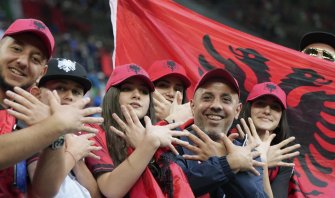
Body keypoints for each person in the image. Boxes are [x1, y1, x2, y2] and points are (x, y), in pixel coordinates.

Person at [0, 19, 103, 197]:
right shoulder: (46, 125)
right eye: (16, 49)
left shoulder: (29, 119)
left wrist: (57, 135)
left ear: (42, 72)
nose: (23, 61)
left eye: (35, 59)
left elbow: (44, 192)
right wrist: (55, 126)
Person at [85, 64, 193, 197]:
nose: (137, 95)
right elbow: (111, 189)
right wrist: (150, 143)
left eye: (144, 91)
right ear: (112, 95)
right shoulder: (94, 131)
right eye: (127, 88)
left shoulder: (165, 135)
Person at [174, 68, 267, 197]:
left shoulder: (249, 152)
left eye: (226, 100)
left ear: (237, 110)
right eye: (207, 98)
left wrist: (225, 161)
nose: (216, 106)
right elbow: (173, 188)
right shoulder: (174, 142)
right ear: (193, 106)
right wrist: (228, 164)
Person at [24, 58, 101, 197]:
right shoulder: (29, 130)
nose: (70, 96)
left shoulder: (79, 138)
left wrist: (77, 161)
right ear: (36, 93)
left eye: (76, 92)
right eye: (60, 88)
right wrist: (73, 153)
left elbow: (95, 195)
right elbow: (41, 192)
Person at [239, 82, 301, 198]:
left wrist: (262, 163)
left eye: (275, 107)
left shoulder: (283, 160)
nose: (267, 111)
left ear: (281, 118)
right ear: (249, 109)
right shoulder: (231, 141)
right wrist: (262, 161)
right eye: (260, 104)